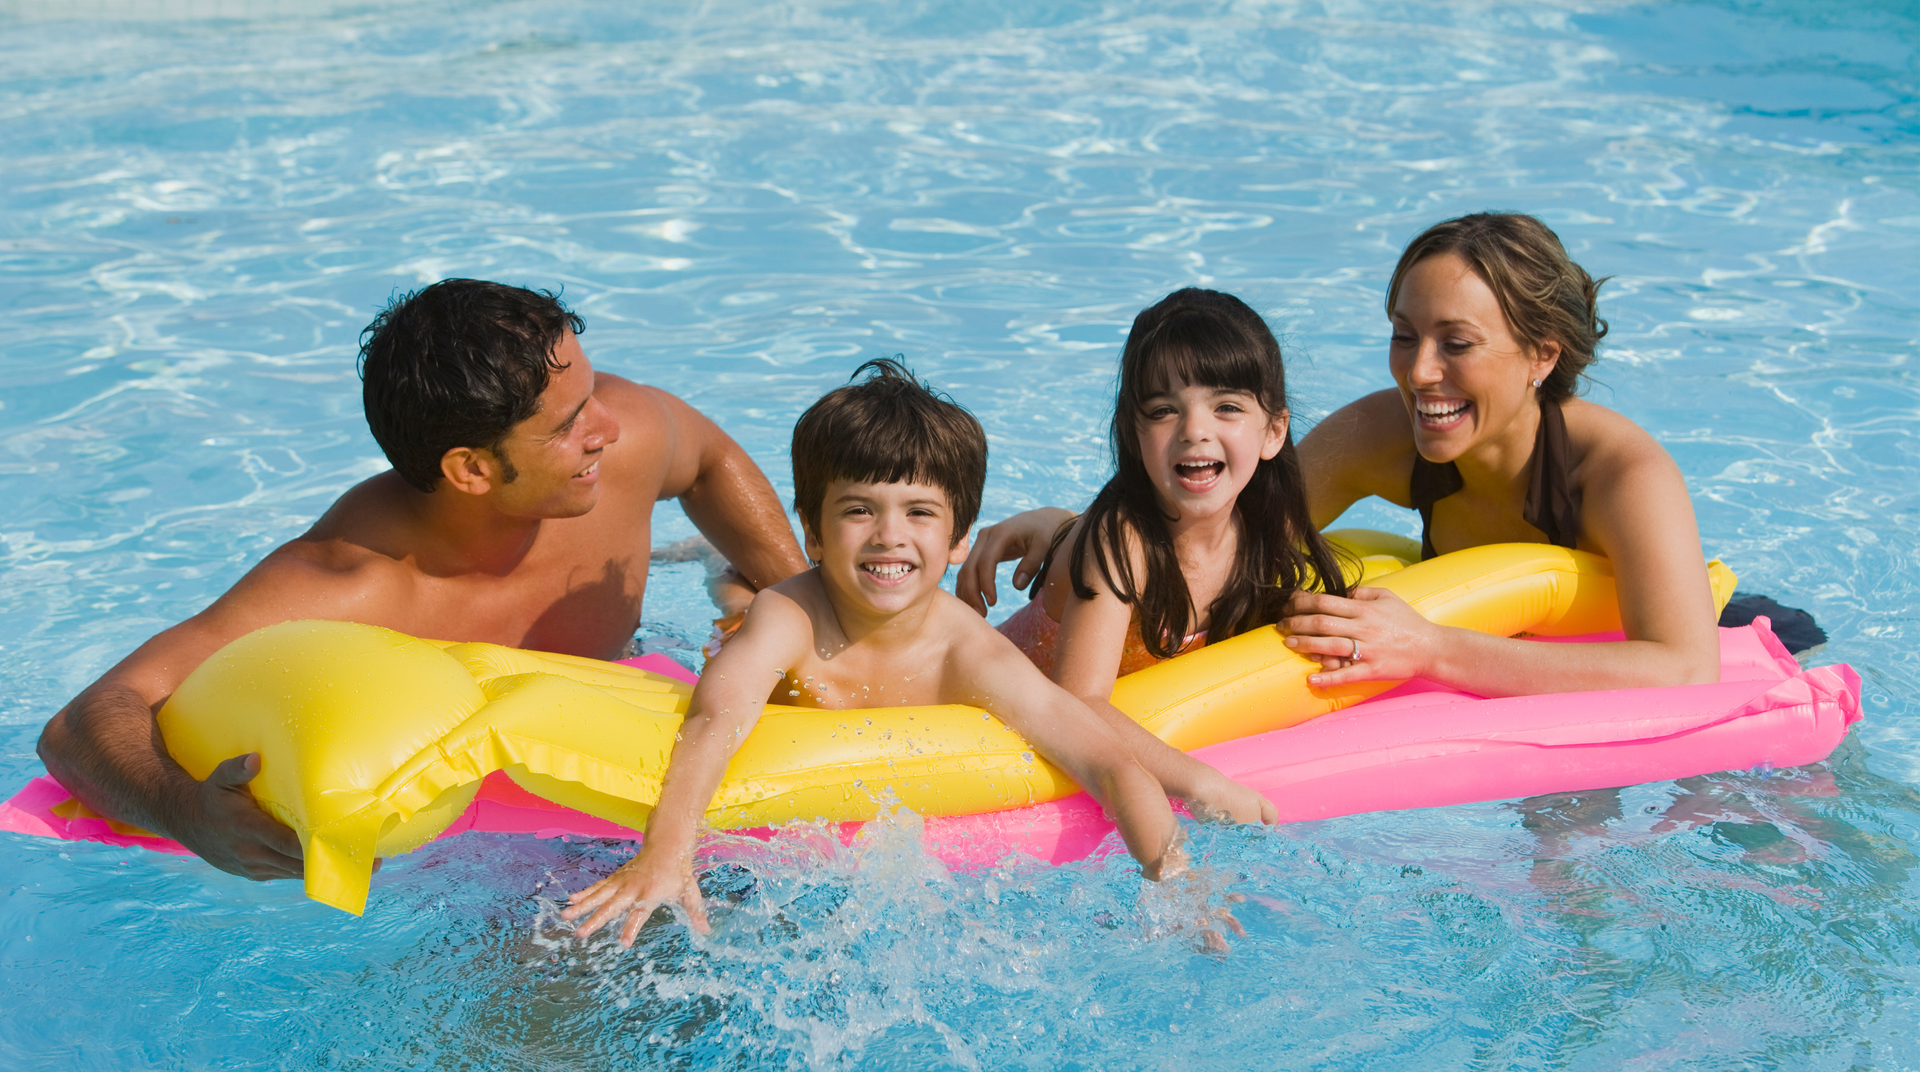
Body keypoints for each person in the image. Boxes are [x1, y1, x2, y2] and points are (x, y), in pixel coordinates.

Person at [36, 279, 809, 883]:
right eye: (567, 423)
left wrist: (805, 604)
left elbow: (708, 460)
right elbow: (81, 723)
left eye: (592, 394)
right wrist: (186, 813)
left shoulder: (621, 448)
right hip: (488, 836)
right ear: (471, 469)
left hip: (624, 690)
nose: (606, 425)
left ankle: (730, 586)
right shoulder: (349, 586)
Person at [958, 213, 1721, 697]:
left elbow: (1685, 667)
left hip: (1685, 638)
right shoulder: (1387, 434)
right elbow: (1217, 515)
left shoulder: (1620, 475)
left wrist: (1431, 651)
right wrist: (1073, 535)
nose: (1418, 372)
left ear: (1541, 355)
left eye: (1456, 344)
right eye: (1403, 335)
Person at [563, 360, 1184, 947]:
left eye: (919, 512)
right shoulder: (790, 618)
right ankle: (713, 561)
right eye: (858, 510)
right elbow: (712, 719)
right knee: (739, 600)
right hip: (756, 644)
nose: (890, 535)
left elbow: (1111, 765)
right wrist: (664, 855)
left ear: (959, 537)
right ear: (811, 530)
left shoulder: (968, 653)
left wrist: (1177, 882)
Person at [997, 288, 1336, 821]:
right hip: (988, 712)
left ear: (1273, 432)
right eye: (1163, 410)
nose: (1195, 430)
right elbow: (1078, 704)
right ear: (1135, 434)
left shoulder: (1262, 538)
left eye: (1226, 407)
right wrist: (1199, 782)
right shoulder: (1122, 541)